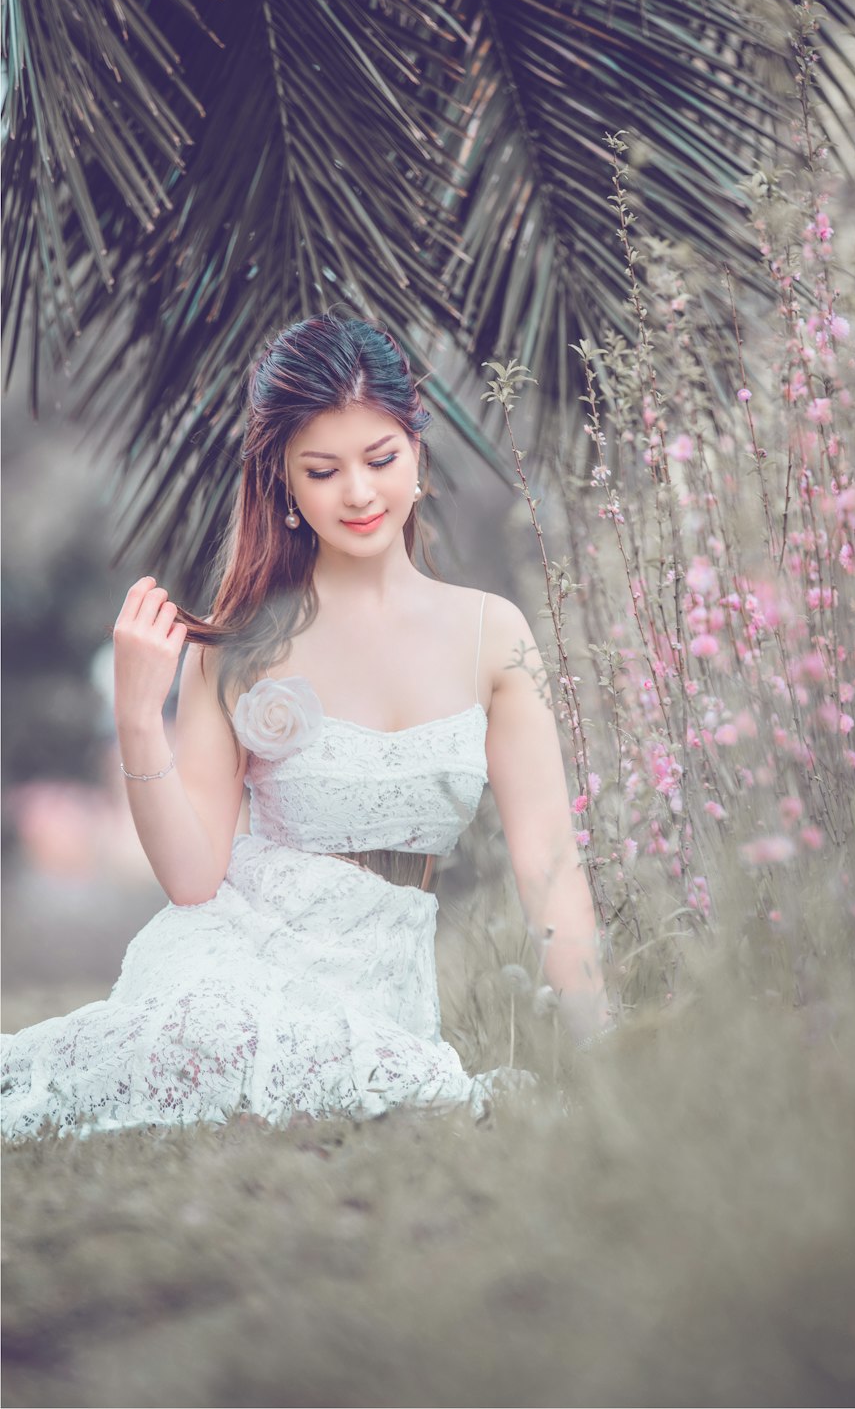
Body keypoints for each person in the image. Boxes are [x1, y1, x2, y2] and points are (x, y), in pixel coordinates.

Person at [1, 313, 613, 1140]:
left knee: (393, 1090)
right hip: (234, 960)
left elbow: (551, 867)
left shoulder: (491, 633)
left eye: (380, 459)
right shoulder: (243, 643)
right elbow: (192, 879)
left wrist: (603, 1053)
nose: (359, 494)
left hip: (383, 986)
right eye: (323, 471)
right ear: (284, 482)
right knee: (197, 1046)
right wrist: (140, 717)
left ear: (417, 454)